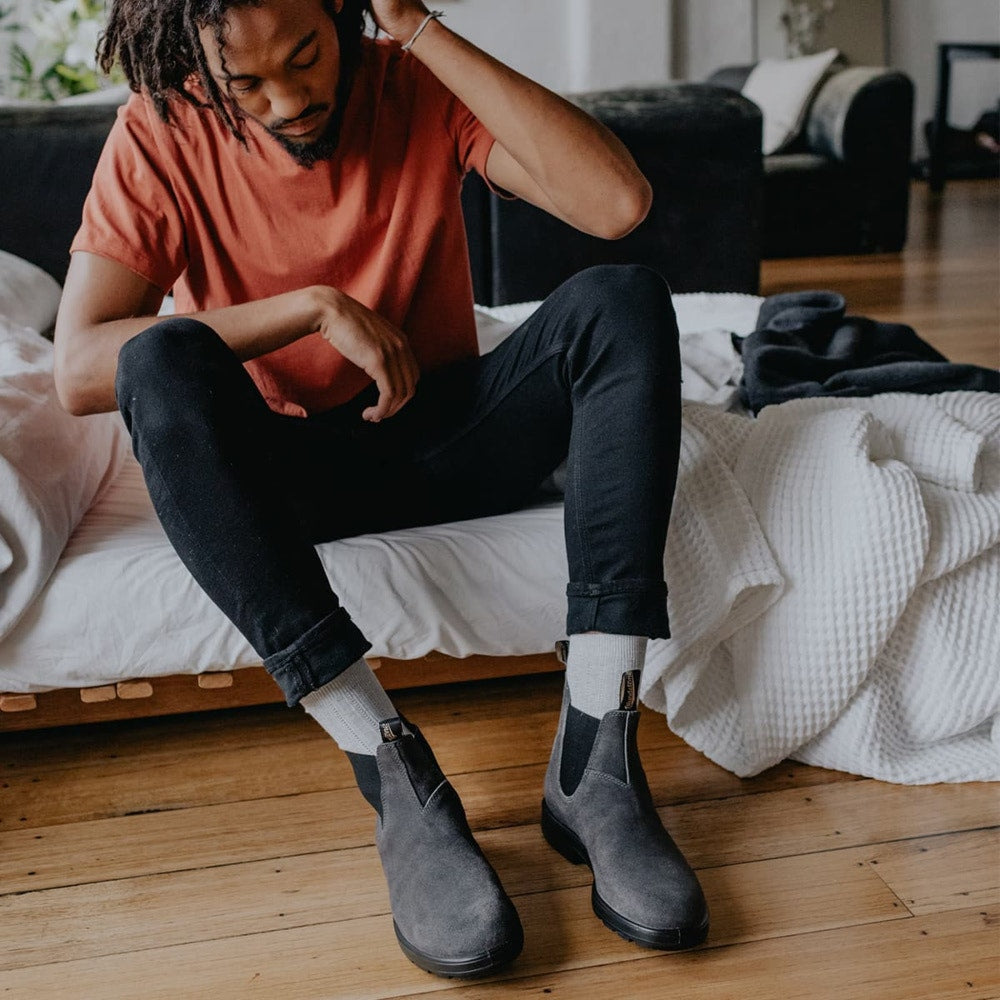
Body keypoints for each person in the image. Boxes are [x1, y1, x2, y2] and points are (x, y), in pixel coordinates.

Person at [54, 0, 708, 978]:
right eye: (248, 83)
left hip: (453, 435)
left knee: (620, 300)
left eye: (308, 56)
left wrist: (416, 26)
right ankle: (393, 769)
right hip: (291, 477)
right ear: (197, 68)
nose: (290, 100)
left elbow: (617, 204)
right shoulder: (161, 128)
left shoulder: (407, 78)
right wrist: (311, 311)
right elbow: (78, 369)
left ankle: (596, 761)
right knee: (158, 363)